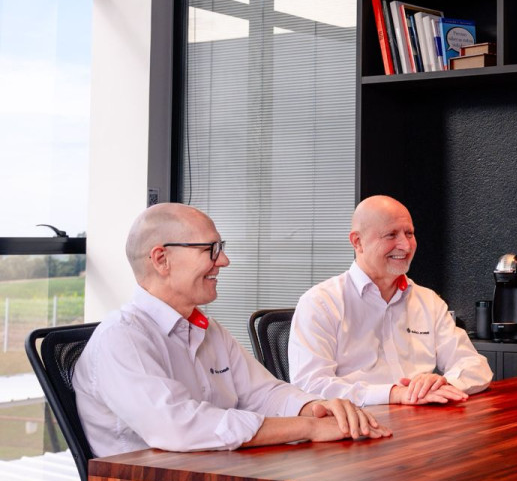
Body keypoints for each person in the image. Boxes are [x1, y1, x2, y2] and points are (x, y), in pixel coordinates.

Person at [74, 204, 390, 458]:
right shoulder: (122, 338)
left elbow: (263, 393)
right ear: (161, 259)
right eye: (210, 249)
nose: (223, 261)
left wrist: (315, 408)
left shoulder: (208, 330)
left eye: (221, 248)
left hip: (216, 480)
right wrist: (308, 428)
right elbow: (179, 427)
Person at [289, 195, 493, 406]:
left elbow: (475, 366)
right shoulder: (320, 303)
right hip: (357, 422)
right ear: (358, 242)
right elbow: (310, 385)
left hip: (422, 418)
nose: (405, 246)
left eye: (409, 233)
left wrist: (443, 383)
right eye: (391, 235)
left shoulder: (428, 301)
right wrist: (393, 394)